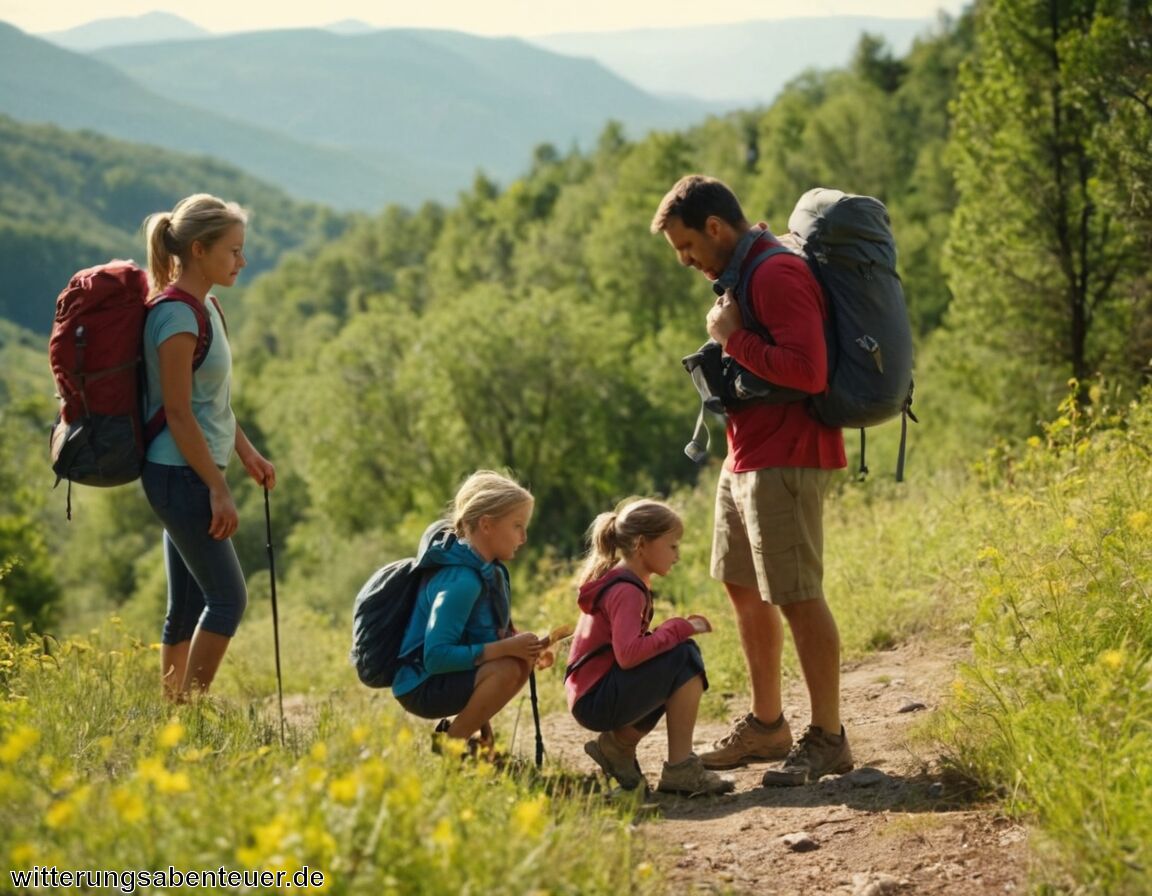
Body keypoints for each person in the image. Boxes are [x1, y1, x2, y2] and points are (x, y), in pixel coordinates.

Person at [650, 175, 853, 786]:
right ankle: (768, 726)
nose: (685, 261)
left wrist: (731, 338)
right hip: (746, 455)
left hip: (786, 456)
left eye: (686, 246)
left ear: (715, 227)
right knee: (741, 584)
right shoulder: (742, 273)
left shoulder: (775, 273)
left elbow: (810, 372)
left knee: (797, 593)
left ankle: (829, 737)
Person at [141, 193, 276, 701]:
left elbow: (210, 403)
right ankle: (189, 713)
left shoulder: (208, 307)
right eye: (233, 251)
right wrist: (217, 487)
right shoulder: (175, 317)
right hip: (179, 475)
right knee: (228, 599)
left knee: (190, 600)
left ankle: (172, 709)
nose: (242, 261)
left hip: (192, 472)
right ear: (199, 250)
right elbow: (177, 412)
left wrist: (246, 454)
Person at [565, 499, 733, 797]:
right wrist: (677, 629)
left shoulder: (622, 580)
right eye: (672, 546)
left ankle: (619, 747)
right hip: (597, 699)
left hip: (593, 694)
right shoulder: (627, 591)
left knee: (673, 659)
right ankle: (680, 768)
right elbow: (629, 656)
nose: (677, 556)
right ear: (642, 544)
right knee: (685, 657)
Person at [392, 470, 544, 755]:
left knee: (516, 662)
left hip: (438, 678)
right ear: (486, 525)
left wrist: (521, 645)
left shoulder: (485, 571)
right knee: (509, 665)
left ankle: (477, 743)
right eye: (517, 526)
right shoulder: (462, 581)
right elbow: (436, 657)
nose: (523, 537)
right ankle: (452, 748)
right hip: (420, 685)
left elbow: (477, 638)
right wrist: (506, 648)